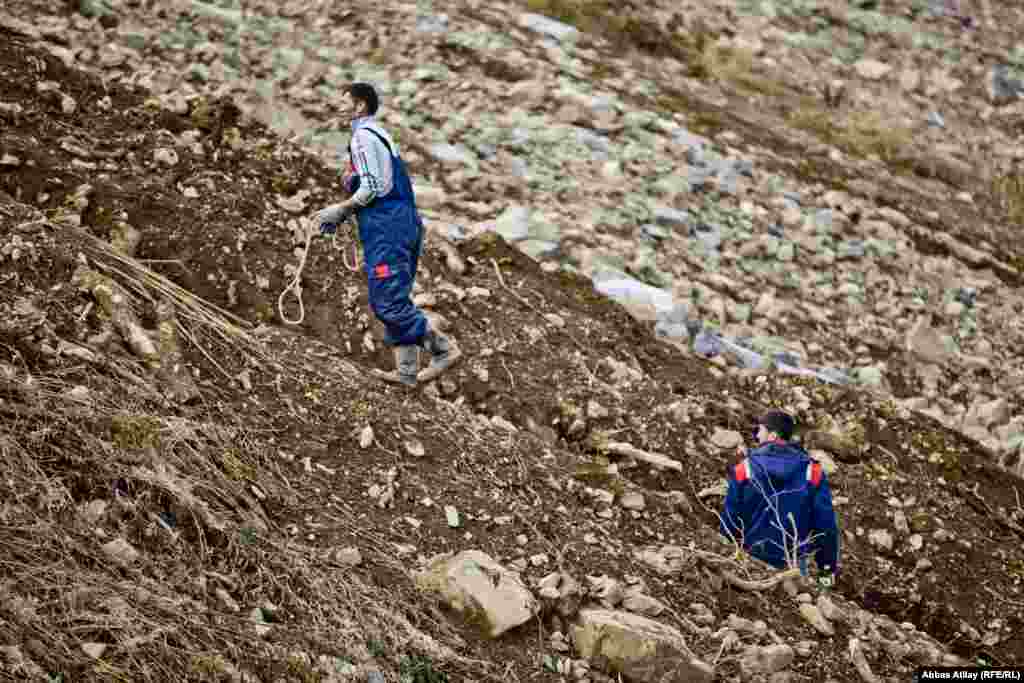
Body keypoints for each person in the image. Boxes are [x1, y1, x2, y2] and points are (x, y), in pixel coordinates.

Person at [313, 83, 460, 386]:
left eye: (344, 102)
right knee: (395, 295)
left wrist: (340, 210)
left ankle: (443, 349)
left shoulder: (362, 138)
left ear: (360, 106)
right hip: (403, 223)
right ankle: (407, 373)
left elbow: (372, 187)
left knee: (387, 302)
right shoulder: (380, 134)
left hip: (387, 228)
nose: (337, 106)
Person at [719, 410, 840, 587]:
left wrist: (725, 555)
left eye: (760, 430)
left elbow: (730, 518)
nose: (757, 436)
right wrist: (826, 571)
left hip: (749, 562)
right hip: (792, 566)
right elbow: (826, 525)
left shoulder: (745, 468)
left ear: (773, 435)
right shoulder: (812, 472)